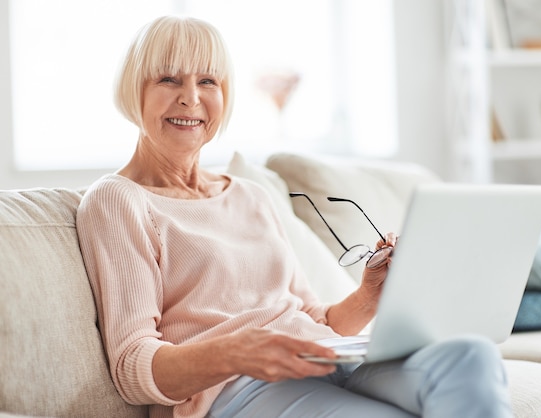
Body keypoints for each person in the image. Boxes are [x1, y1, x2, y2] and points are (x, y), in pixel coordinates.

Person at [76, 15, 513, 418]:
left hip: (321, 356)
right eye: (169, 79)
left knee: (472, 355)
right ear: (136, 90)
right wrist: (235, 352)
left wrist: (369, 297)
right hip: (236, 389)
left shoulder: (249, 196)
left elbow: (311, 316)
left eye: (207, 80)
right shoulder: (118, 201)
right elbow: (132, 367)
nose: (190, 98)